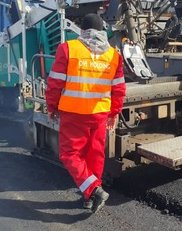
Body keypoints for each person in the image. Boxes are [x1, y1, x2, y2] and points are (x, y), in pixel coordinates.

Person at [45, 13, 126, 213]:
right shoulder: (114, 56)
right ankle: (89, 197)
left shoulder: (68, 49)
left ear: (82, 31)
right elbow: (119, 89)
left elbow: (55, 83)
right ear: (102, 32)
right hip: (99, 113)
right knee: (95, 155)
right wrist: (114, 112)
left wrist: (52, 107)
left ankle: (93, 190)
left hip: (73, 113)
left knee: (69, 154)